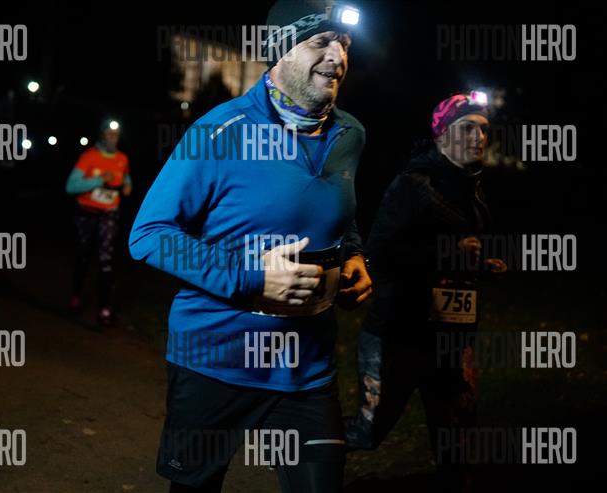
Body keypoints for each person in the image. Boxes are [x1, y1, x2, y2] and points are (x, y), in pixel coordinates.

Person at [128, 1, 371, 491]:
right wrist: (252, 277)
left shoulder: (351, 134)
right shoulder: (220, 130)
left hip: (305, 367)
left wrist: (353, 257)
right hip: (216, 360)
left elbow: (339, 217)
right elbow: (149, 235)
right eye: (321, 42)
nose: (337, 57)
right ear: (280, 51)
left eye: (344, 44)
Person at [344, 91, 507, 490]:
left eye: (483, 130)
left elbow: (454, 257)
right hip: (399, 336)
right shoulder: (413, 185)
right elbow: (379, 253)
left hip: (452, 341)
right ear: (442, 135)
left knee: (457, 438)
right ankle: (309, 463)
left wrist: (480, 266)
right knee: (368, 431)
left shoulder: (472, 187)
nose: (478, 138)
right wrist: (448, 253)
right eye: (467, 128)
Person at [65, 119, 132, 326]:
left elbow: (126, 178)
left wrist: (127, 185)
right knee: (83, 255)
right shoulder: (89, 156)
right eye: (109, 133)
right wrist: (99, 179)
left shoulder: (122, 158)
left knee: (106, 259)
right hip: (86, 212)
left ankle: (104, 308)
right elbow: (71, 186)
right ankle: (76, 295)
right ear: (102, 134)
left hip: (109, 214)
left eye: (116, 134)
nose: (113, 137)